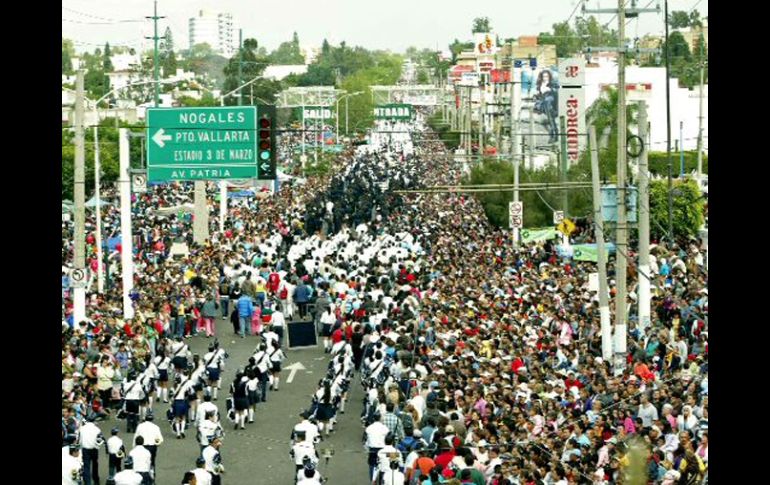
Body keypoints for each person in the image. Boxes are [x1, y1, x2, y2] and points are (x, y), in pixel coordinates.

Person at [532, 69, 559, 143]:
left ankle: (555, 136)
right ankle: (553, 135)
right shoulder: (540, 84)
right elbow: (539, 94)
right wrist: (536, 97)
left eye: (547, 76)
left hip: (550, 103)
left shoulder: (552, 84)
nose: (545, 78)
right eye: (544, 76)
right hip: (543, 103)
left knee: (551, 120)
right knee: (548, 121)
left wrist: (550, 90)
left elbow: (556, 93)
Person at [79, 414, 105, 485]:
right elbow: (100, 440)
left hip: (85, 449)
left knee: (86, 466)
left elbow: (80, 440)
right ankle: (96, 479)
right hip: (94, 449)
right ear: (94, 421)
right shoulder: (97, 429)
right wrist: (97, 446)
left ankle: (88, 482)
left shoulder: (82, 428)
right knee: (95, 464)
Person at [365, 413, 390, 481]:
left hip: (372, 449)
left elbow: (367, 440)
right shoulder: (385, 428)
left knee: (372, 465)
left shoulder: (369, 428)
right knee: (383, 465)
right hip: (382, 450)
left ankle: (372, 479)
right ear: (380, 418)